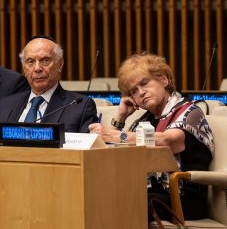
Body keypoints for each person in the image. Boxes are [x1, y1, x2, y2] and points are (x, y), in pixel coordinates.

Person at [89, 53, 214, 221]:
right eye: (134, 91)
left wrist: (115, 134)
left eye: (144, 83)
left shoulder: (190, 112)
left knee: (117, 201)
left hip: (184, 200)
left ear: (164, 80)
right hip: (151, 193)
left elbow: (167, 141)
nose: (141, 93)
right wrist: (120, 117)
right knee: (94, 194)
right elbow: (113, 152)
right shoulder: (147, 118)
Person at [0, 35, 98, 137]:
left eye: (45, 60)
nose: (37, 68)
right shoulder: (5, 105)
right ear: (24, 69)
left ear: (60, 64)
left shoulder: (80, 107)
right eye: (30, 62)